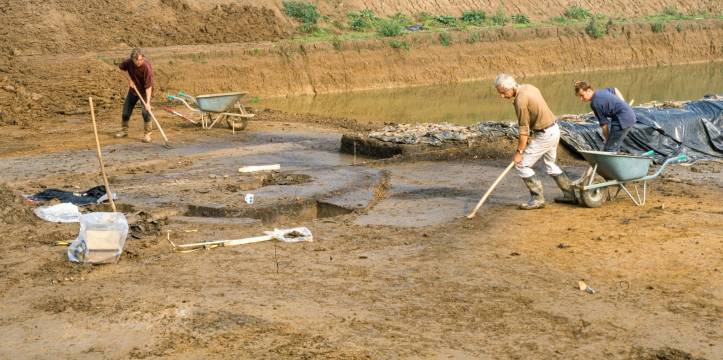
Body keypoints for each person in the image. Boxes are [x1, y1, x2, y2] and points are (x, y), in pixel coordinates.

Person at [494, 74, 576, 209]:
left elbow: (523, 131)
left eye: (503, 93)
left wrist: (519, 152)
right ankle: (570, 194)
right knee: (550, 164)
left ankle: (537, 198)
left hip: (545, 134)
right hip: (554, 129)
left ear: (509, 88)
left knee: (522, 165)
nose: (502, 96)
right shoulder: (529, 87)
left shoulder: (520, 101)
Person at [574, 81, 636, 152]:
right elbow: (615, 89)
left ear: (588, 91)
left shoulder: (595, 103)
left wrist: (607, 140)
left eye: (582, 95)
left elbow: (604, 126)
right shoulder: (601, 91)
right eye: (579, 96)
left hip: (622, 120)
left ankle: (613, 161)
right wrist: (624, 103)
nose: (581, 99)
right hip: (630, 115)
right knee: (614, 145)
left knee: (609, 149)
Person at [116, 48, 154, 143]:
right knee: (126, 110)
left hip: (145, 91)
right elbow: (121, 69)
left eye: (141, 60)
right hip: (133, 90)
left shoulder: (146, 68)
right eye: (136, 60)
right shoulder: (128, 63)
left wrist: (148, 103)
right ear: (132, 59)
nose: (139, 62)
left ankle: (147, 134)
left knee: (146, 112)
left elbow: (148, 87)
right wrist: (129, 80)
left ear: (143, 58)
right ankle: (124, 130)